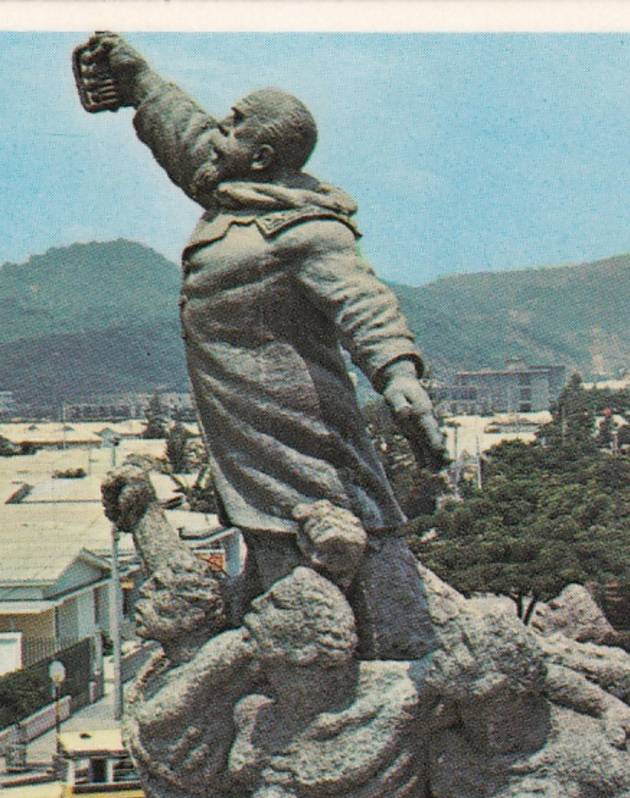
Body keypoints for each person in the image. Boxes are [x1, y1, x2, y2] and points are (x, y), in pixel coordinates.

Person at [79, 32, 444, 662]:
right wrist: (140, 80)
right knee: (270, 519)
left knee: (331, 506)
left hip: (295, 411)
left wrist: (399, 374)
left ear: (263, 154)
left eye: (235, 126)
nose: (218, 131)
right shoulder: (236, 195)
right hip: (240, 409)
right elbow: (190, 139)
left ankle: (385, 638)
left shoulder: (307, 228)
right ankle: (282, 619)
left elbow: (364, 302)